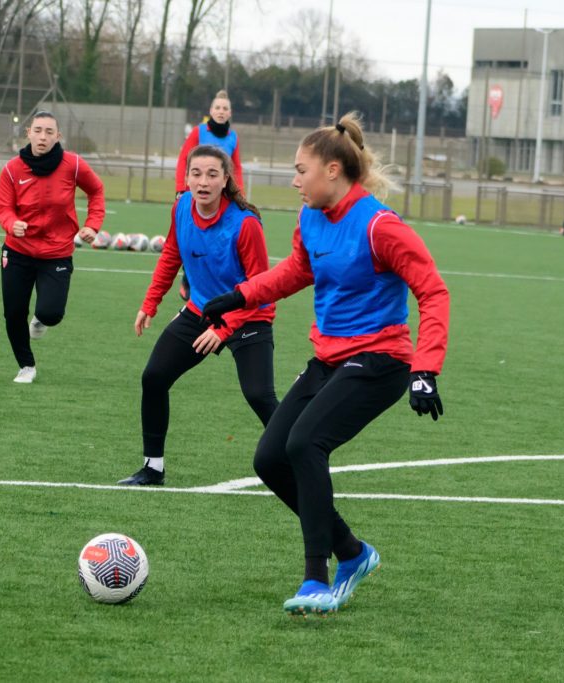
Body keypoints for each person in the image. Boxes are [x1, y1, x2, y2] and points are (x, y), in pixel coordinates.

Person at [201, 112, 450, 616]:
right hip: (329, 360)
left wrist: (425, 370)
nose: (294, 181)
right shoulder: (311, 217)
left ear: (333, 170)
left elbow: (433, 291)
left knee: (304, 443)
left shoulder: (381, 225)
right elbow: (297, 270)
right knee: (269, 459)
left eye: (300, 170)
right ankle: (354, 553)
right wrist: (239, 296)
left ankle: (317, 578)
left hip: (380, 361)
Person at [118, 145, 278, 486]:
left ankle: (301, 459)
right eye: (196, 173)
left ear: (226, 180)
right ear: (187, 178)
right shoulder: (181, 208)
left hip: (249, 316)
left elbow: (261, 288)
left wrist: (224, 329)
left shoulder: (245, 225)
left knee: (259, 396)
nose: (202, 181)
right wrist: (150, 303)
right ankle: (153, 468)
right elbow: (171, 254)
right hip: (201, 310)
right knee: (154, 377)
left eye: (211, 174)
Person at [0, 110, 105, 383]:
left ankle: (41, 320)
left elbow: (96, 191)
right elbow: (3, 206)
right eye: (38, 130)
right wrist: (11, 223)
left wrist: (92, 224)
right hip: (17, 251)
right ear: (28, 132)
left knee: (51, 313)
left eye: (49, 132)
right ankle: (26, 366)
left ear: (58, 136)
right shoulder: (12, 169)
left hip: (56, 252)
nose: (43, 136)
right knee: (14, 312)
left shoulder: (73, 165)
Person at [174, 90, 243, 302]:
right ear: (210, 111)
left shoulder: (233, 137)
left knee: (219, 237)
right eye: (217, 108)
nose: (221, 112)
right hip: (199, 193)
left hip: (223, 194)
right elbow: (184, 158)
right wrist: (181, 188)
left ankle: (215, 281)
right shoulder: (199, 131)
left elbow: (236, 167)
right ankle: (188, 279)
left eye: (225, 108)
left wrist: (239, 194)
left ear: (230, 113)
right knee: (191, 235)